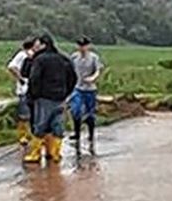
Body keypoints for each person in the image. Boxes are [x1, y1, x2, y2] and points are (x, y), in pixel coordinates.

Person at [24, 33, 77, 164]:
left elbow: (34, 78)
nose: (35, 48)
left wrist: (33, 95)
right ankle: (55, 153)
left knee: (40, 125)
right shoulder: (63, 58)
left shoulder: (40, 60)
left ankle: (35, 154)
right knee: (57, 125)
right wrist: (66, 92)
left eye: (37, 45)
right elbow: (73, 77)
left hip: (44, 98)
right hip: (61, 97)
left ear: (43, 45)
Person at [69, 36, 104, 150]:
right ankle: (77, 133)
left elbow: (98, 70)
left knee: (90, 113)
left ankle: (91, 134)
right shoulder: (74, 57)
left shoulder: (94, 57)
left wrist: (93, 78)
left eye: (84, 45)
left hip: (90, 88)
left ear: (88, 46)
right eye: (80, 45)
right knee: (76, 110)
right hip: (77, 88)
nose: (82, 48)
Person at [7, 37, 37, 144]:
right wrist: (20, 79)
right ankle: (22, 135)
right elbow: (11, 67)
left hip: (33, 89)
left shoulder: (32, 55)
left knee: (32, 113)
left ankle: (30, 134)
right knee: (24, 114)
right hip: (24, 89)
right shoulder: (22, 55)